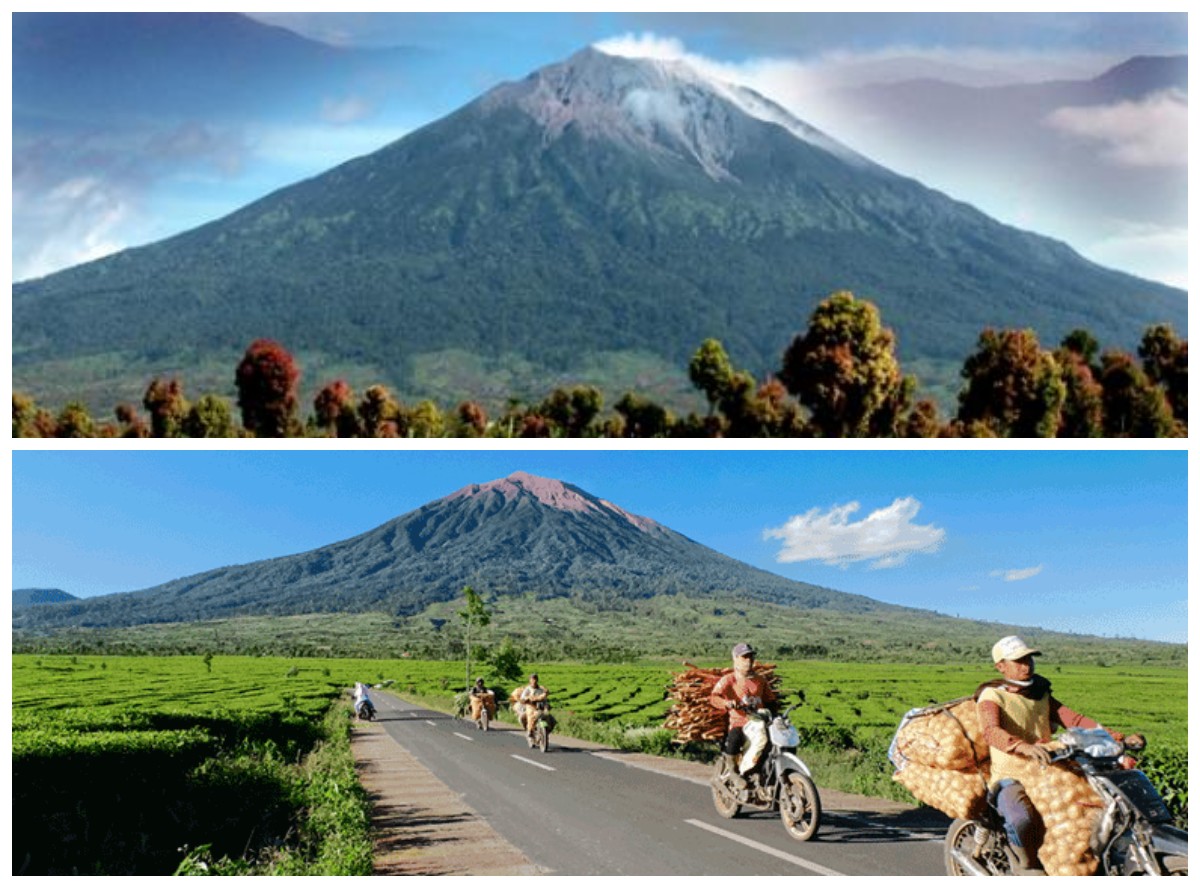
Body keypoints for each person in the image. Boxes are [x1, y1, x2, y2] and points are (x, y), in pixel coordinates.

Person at [976, 635, 1132, 875]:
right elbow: (990, 731)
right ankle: (1026, 864)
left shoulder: (1040, 693)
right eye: (1018, 661)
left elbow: (1075, 721)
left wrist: (1116, 737)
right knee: (1021, 818)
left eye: (1028, 659)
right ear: (1001, 666)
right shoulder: (992, 696)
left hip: (1048, 769)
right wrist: (1021, 747)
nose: (1026, 665)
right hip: (1012, 773)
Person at [709, 642, 769, 785]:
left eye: (751, 657)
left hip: (758, 722)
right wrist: (726, 703)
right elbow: (714, 697)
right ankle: (733, 772)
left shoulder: (760, 680)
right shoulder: (729, 680)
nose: (749, 661)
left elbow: (770, 699)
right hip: (740, 722)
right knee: (735, 736)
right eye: (744, 657)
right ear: (735, 659)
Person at [517, 673, 549, 740]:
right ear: (530, 680)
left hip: (540, 707)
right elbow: (523, 698)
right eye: (532, 679)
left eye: (535, 679)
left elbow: (545, 699)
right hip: (530, 707)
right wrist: (527, 699)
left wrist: (546, 706)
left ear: (537, 680)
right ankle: (530, 731)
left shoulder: (541, 689)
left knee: (549, 718)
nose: (534, 681)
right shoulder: (527, 689)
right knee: (530, 717)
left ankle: (545, 732)